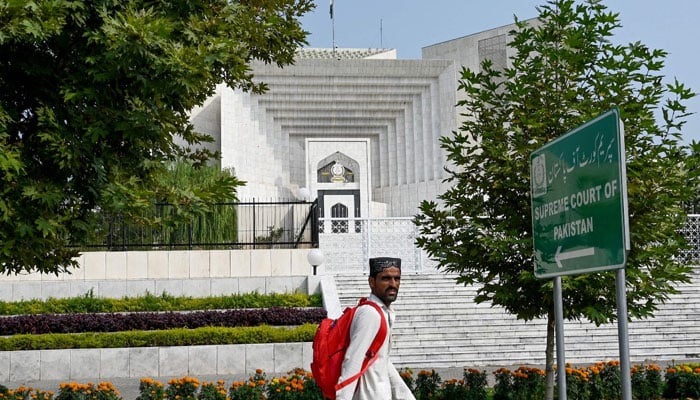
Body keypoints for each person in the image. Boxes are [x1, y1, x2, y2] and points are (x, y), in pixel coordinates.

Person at [336, 257, 416, 400]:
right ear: (371, 282)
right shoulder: (370, 313)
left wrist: (405, 395)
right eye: (386, 279)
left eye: (397, 279)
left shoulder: (383, 312)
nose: (393, 284)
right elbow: (353, 360)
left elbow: (382, 360)